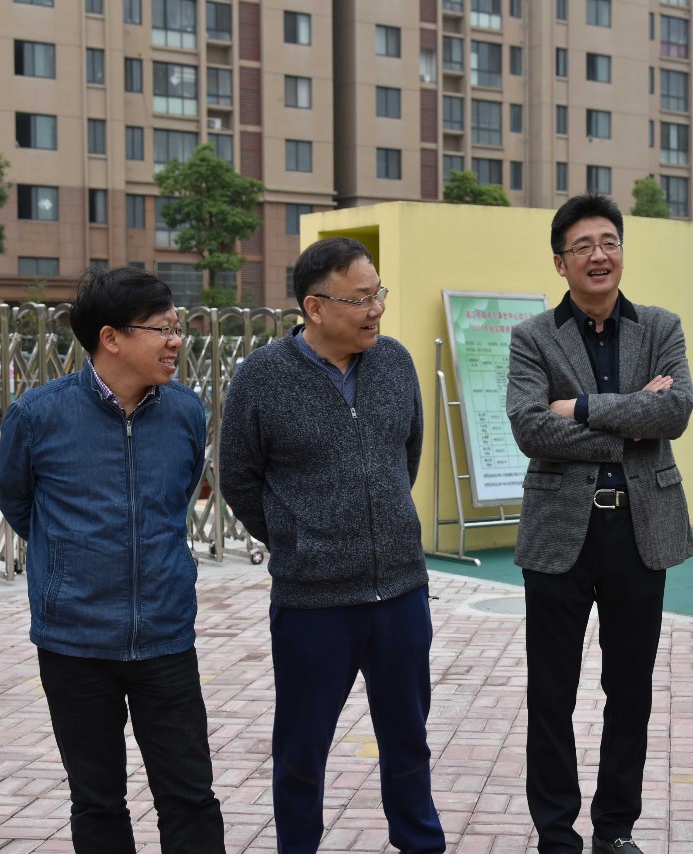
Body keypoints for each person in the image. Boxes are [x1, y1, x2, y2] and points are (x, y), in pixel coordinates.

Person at [218, 237, 445, 854]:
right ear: (315, 308)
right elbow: (238, 477)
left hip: (400, 592)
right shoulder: (260, 378)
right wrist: (298, 538)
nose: (376, 309)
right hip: (312, 603)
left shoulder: (395, 362)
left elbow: (409, 453)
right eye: (362, 298)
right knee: (302, 746)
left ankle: (421, 843)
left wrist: (384, 524)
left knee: (408, 739)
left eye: (379, 294)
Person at [0, 267, 224, 853]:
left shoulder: (185, 413)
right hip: (74, 641)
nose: (176, 341)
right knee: (96, 800)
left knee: (190, 796)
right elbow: (20, 505)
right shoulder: (38, 415)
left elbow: (179, 496)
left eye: (178, 327)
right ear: (111, 337)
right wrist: (72, 562)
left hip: (166, 635)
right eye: (161, 329)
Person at [505, 194, 693, 854]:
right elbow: (531, 427)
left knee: (630, 690)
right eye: (583, 245)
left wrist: (581, 407)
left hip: (640, 531)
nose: (599, 255)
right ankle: (556, 834)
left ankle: (615, 830)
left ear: (622, 252)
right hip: (561, 531)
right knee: (551, 694)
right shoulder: (532, 336)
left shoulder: (661, 327)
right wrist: (625, 423)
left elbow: (676, 414)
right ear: (560, 262)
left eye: (609, 242)